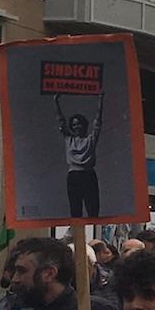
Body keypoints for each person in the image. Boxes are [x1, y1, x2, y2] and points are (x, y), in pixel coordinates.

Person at [56, 85, 105, 217]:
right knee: (75, 209)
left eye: (79, 124)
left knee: (93, 208)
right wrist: (56, 101)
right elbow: (61, 121)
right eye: (74, 125)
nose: (77, 127)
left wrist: (101, 99)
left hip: (88, 175)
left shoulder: (90, 139)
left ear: (84, 124)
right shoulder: (69, 139)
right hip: (74, 176)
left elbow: (98, 121)